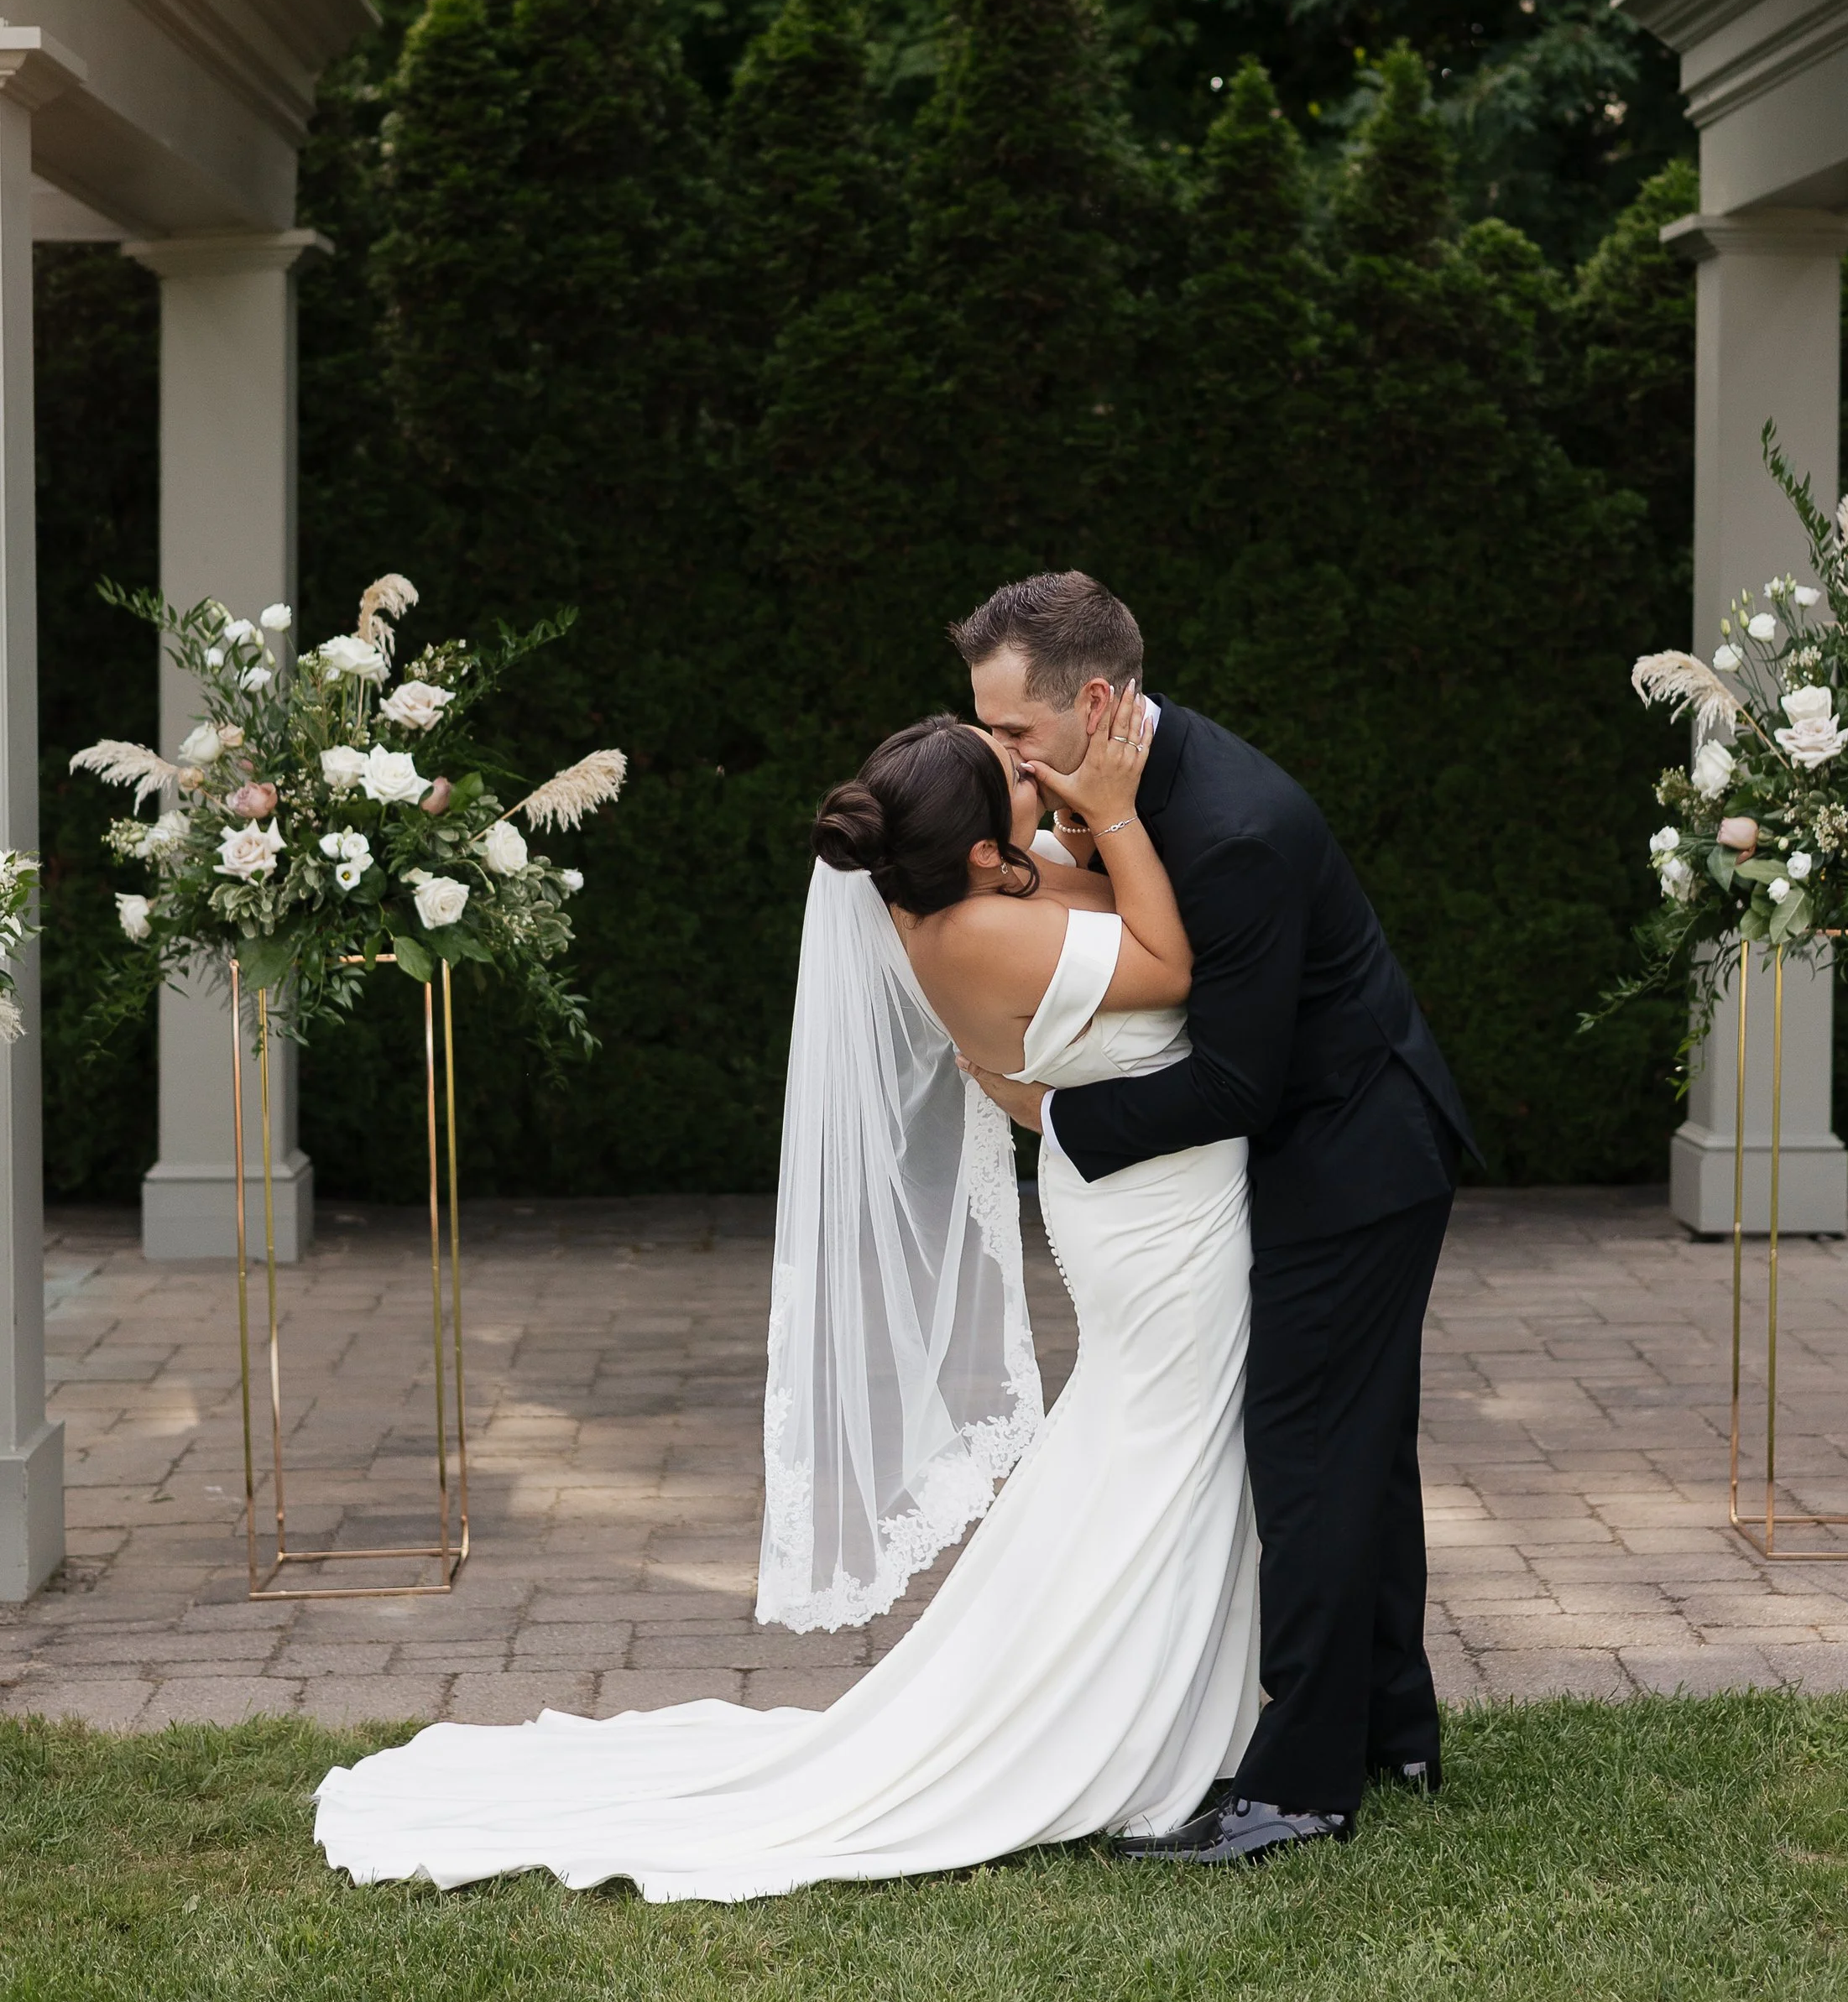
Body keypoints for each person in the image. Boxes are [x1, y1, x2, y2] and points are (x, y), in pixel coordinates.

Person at [315, 691, 1264, 1901]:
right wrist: (1121, 813)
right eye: (1016, 779)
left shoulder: (969, 895)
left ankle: (1163, 1697)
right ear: (979, 849)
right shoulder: (975, 928)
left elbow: (1082, 927)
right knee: (1160, 1449)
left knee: (1154, 1450)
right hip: (1151, 1222)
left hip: (1149, 1197)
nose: (1040, 777)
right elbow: (1172, 957)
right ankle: (1103, 1724)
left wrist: (1083, 825)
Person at [957, 570, 1472, 1866]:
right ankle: (1393, 1728)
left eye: (1014, 732)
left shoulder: (1230, 823)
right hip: (1340, 1147)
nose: (999, 756)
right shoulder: (1126, 790)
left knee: (1306, 1454)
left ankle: (1297, 1787)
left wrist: (1059, 1125)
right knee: (1359, 1445)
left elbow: (1236, 1081)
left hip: (1353, 1161)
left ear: (1091, 701)